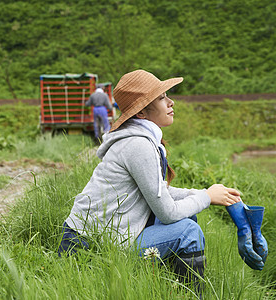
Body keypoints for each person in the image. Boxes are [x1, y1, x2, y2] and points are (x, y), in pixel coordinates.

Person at [58, 70, 264, 294]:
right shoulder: (138, 145)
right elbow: (167, 212)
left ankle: (164, 288)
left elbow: (159, 192)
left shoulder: (138, 139)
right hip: (88, 248)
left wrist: (208, 193)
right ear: (143, 112)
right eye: (161, 97)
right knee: (187, 231)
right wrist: (206, 197)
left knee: (188, 216)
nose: (170, 101)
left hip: (98, 238)